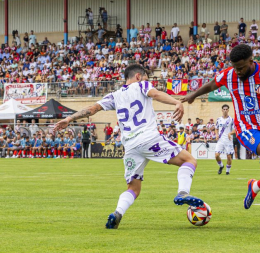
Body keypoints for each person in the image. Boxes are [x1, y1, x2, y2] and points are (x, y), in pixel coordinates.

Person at [53, 64, 205, 229]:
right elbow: (155, 94)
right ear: (139, 76)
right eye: (146, 78)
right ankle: (182, 193)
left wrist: (68, 119)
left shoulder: (114, 96)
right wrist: (176, 102)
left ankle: (117, 213)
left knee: (133, 188)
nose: (148, 82)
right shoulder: (141, 85)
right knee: (189, 160)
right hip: (149, 138)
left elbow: (92, 109)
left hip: (131, 147)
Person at [182, 44, 260, 218]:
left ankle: (254, 186)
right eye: (235, 67)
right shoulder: (228, 75)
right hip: (245, 127)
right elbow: (210, 86)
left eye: (241, 67)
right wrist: (193, 95)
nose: (237, 71)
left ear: (251, 61)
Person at [214, 104, 235, 175]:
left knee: (229, 156)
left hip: (228, 140)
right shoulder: (219, 119)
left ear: (228, 110)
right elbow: (216, 128)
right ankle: (221, 166)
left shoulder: (231, 120)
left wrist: (230, 133)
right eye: (224, 109)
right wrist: (216, 134)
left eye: (226, 109)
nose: (225, 110)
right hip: (220, 140)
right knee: (216, 155)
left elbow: (235, 130)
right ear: (222, 110)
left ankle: (227, 171)